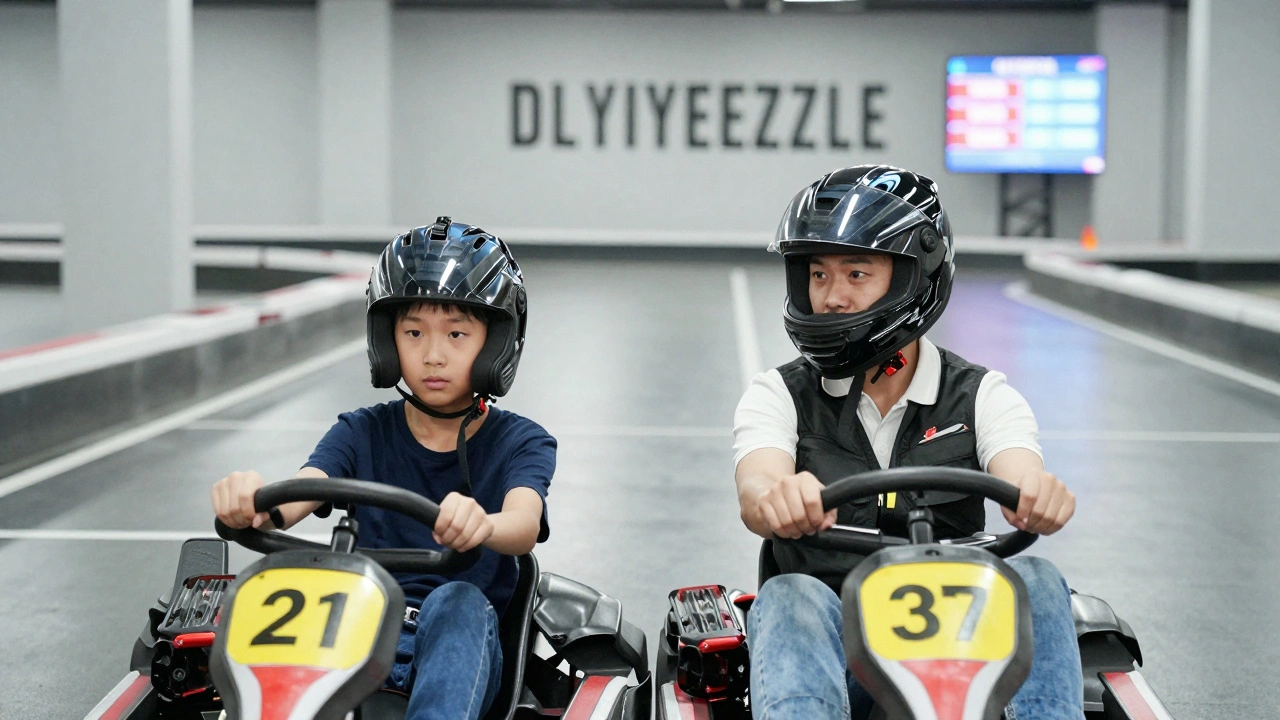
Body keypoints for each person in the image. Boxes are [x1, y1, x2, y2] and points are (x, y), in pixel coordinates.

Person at [733, 166, 1084, 720]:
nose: (831, 298)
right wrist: (776, 497)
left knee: (1037, 578)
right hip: (835, 653)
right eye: (818, 276)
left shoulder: (982, 395)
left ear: (913, 277)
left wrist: (1036, 494)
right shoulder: (778, 393)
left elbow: (1019, 470)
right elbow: (758, 484)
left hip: (964, 652)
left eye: (856, 273)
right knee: (789, 593)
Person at [211, 217, 555, 720]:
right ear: (388, 340)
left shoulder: (521, 440)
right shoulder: (361, 431)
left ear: (496, 344)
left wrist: (485, 524)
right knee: (288, 583)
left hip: (455, 651)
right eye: (413, 332)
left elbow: (523, 524)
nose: (433, 355)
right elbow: (307, 488)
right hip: (353, 635)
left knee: (456, 599)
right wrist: (253, 504)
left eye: (457, 334)